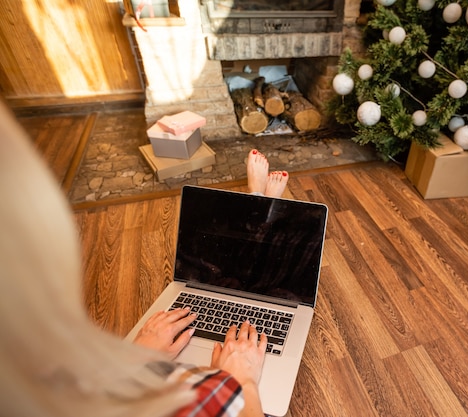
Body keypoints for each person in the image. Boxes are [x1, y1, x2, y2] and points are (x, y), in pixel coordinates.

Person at [0, 100, 274, 417]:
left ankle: (257, 208)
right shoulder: (207, 395)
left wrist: (139, 359)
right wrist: (240, 384)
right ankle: (259, 208)